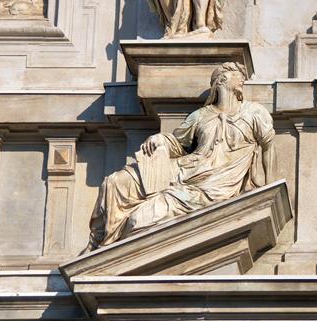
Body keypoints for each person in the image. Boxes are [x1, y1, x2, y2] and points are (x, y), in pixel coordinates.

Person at [87, 62, 275, 249]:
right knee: (115, 181)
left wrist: (268, 187)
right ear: (222, 80)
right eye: (238, 75)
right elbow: (178, 143)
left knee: (139, 218)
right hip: (187, 169)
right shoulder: (201, 115)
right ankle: (95, 243)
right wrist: (160, 139)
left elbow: (268, 146)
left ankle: (107, 246)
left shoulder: (254, 113)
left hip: (215, 185)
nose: (243, 79)